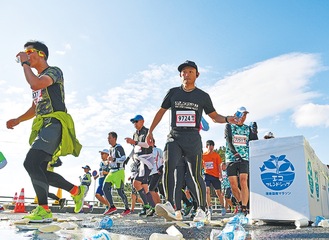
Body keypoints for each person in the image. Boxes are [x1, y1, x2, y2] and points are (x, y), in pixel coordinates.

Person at [145, 60, 236, 222]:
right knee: (168, 167)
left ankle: (201, 209)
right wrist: (150, 131)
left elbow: (214, 117)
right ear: (180, 75)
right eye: (184, 72)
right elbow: (161, 112)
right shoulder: (173, 93)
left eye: (190, 72)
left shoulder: (202, 96)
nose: (187, 75)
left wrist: (229, 119)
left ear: (197, 75)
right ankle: (170, 204)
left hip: (193, 138)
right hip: (174, 136)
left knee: (195, 175)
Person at [6, 41, 85, 222]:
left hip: (54, 124)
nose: (26, 55)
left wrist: (25, 64)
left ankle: (44, 210)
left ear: (41, 54)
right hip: (44, 126)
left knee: (30, 163)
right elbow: (35, 108)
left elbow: (35, 84)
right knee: (40, 170)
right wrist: (18, 120)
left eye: (29, 52)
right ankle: (76, 191)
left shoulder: (54, 72)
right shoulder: (38, 78)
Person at [225, 106, 258, 216]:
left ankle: (245, 207)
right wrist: (235, 153)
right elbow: (229, 141)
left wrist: (254, 132)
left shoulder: (247, 128)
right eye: (242, 115)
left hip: (244, 158)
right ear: (236, 115)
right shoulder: (229, 126)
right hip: (231, 158)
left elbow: (253, 142)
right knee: (233, 185)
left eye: (245, 115)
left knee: (243, 181)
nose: (243, 117)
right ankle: (240, 204)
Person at [125, 115, 155, 216]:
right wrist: (128, 158)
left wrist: (135, 142)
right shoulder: (135, 134)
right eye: (133, 122)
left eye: (136, 121)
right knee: (144, 187)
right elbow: (135, 148)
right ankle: (152, 207)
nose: (134, 124)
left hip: (146, 161)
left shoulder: (147, 131)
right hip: (138, 162)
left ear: (142, 121)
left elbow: (148, 145)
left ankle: (146, 206)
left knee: (136, 183)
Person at [103, 132, 130, 216]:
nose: (108, 139)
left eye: (109, 138)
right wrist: (108, 162)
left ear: (114, 138)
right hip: (112, 171)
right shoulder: (110, 149)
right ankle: (112, 206)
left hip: (119, 171)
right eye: (108, 138)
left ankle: (127, 209)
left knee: (120, 191)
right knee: (105, 188)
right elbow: (111, 160)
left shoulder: (119, 147)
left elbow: (123, 158)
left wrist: (114, 159)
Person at [202, 140, 225, 218]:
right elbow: (201, 165)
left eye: (212, 146)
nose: (211, 147)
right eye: (209, 145)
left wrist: (220, 175)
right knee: (207, 191)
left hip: (215, 176)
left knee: (218, 193)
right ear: (206, 146)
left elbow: (219, 166)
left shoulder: (216, 155)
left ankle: (223, 207)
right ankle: (209, 208)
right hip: (206, 175)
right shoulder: (203, 155)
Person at [148, 139, 164, 207]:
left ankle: (156, 207)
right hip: (149, 173)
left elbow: (165, 159)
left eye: (151, 141)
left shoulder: (158, 150)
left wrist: (161, 168)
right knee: (155, 191)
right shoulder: (147, 151)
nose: (149, 142)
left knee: (150, 190)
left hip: (157, 172)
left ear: (154, 142)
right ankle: (159, 207)